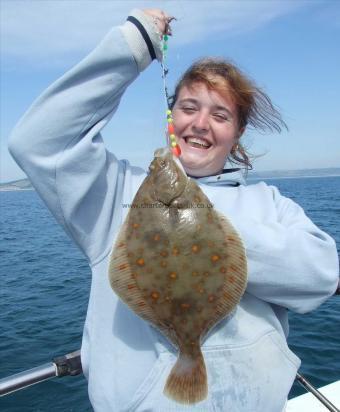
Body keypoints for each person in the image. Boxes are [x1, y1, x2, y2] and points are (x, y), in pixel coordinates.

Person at [8, 8, 339, 412]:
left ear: (237, 133)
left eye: (220, 115)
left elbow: (322, 275)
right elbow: (38, 142)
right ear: (171, 118)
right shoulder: (115, 192)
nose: (201, 123)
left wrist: (205, 225)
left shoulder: (270, 204)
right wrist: (133, 45)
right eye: (188, 107)